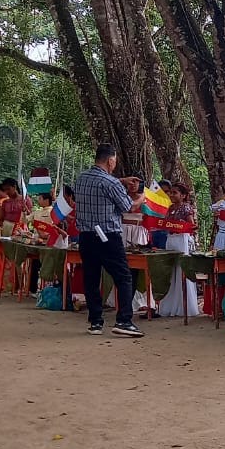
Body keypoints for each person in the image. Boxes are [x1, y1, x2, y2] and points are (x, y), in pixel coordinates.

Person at [73, 144, 146, 338]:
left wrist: (121, 180)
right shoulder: (111, 183)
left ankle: (95, 322)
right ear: (110, 160)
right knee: (123, 276)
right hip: (108, 236)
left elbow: (101, 185)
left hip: (86, 235)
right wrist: (143, 197)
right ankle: (124, 320)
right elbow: (129, 206)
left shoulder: (81, 179)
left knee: (91, 278)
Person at [157, 183, 201, 318]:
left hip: (182, 240)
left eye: (175, 193)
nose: (171, 195)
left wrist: (182, 227)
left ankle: (184, 306)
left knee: (181, 269)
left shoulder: (186, 208)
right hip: (170, 240)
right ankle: (169, 305)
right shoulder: (170, 208)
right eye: (171, 192)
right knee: (171, 270)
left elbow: (192, 226)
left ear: (183, 195)